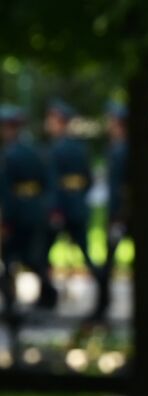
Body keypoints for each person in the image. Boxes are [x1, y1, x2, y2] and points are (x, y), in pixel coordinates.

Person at [1, 104, 58, 315]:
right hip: (36, 211)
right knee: (33, 257)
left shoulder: (8, 155)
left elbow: (6, 190)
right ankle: (47, 293)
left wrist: (5, 219)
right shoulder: (35, 151)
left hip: (16, 214)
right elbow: (48, 182)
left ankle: (10, 301)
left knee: (10, 258)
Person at [45, 100, 101, 303]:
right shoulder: (80, 148)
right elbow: (88, 179)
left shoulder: (56, 149)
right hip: (77, 206)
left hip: (62, 208)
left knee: (43, 251)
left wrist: (56, 209)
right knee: (84, 251)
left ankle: (48, 295)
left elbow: (53, 183)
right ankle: (102, 292)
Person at [91, 101, 128, 323]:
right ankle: (102, 305)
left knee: (108, 262)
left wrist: (115, 216)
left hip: (122, 215)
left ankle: (102, 306)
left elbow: (118, 189)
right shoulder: (119, 147)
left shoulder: (120, 149)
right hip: (122, 214)